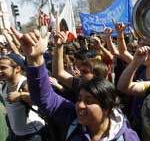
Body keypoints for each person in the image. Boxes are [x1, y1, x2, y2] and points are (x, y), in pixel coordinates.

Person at [11, 26, 140, 141]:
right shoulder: (73, 117)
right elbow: (44, 98)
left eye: (89, 101)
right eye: (79, 99)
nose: (80, 105)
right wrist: (35, 60)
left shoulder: (127, 137)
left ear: (107, 107)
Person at [0, 53, 45, 141]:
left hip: (32, 135)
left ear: (17, 68)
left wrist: (21, 96)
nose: (0, 71)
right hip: (14, 134)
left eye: (3, 68)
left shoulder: (25, 84)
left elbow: (42, 101)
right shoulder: (5, 85)